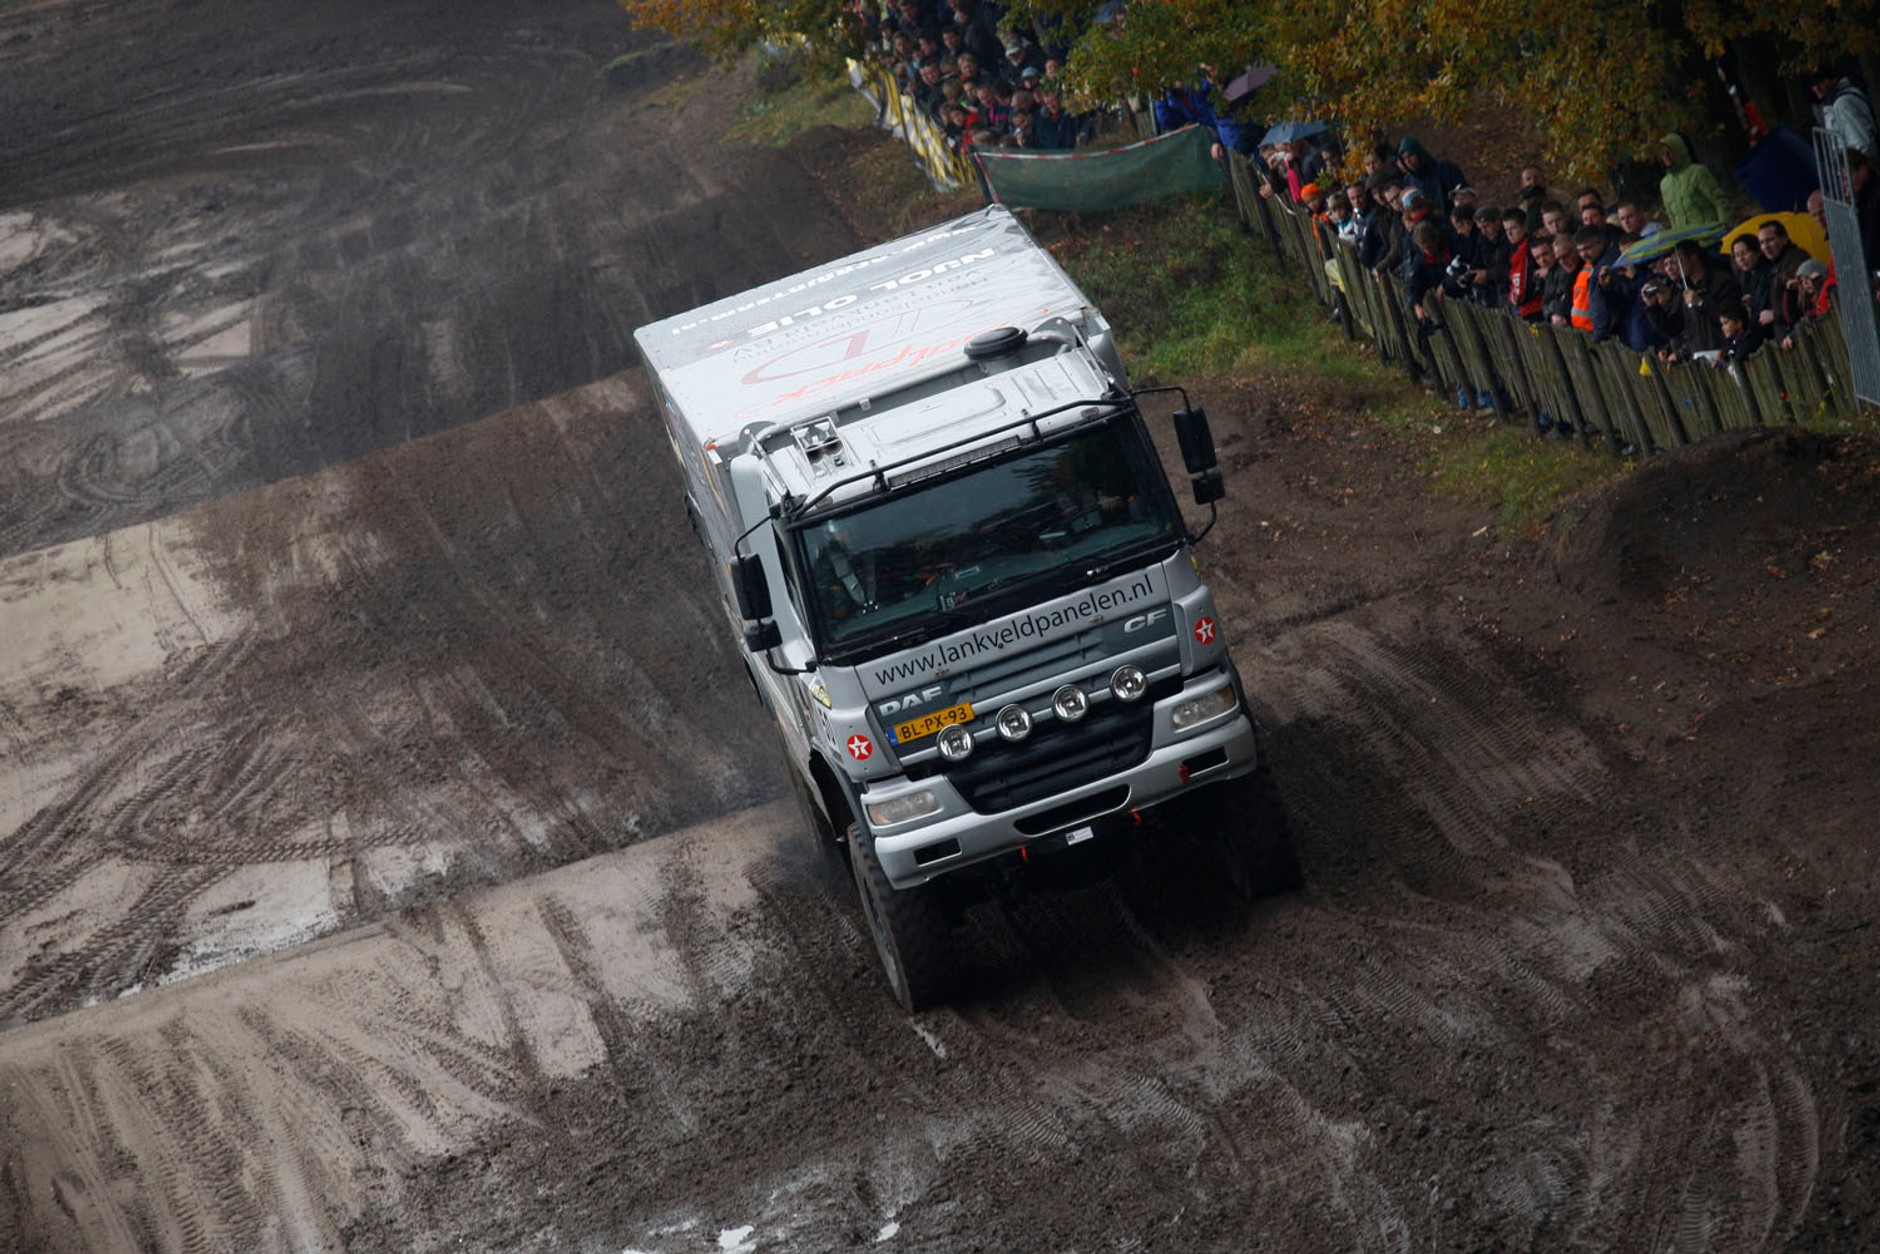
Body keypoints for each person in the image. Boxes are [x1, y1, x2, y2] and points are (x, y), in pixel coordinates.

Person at [1658, 133, 1732, 230]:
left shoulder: (1698, 172)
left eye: (1669, 152)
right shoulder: (1665, 184)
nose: (1666, 156)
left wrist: (1723, 227)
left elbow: (1719, 201)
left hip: (1711, 236)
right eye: (1662, 154)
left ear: (1678, 150)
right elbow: (1672, 217)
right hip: (1686, 241)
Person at [1809, 64, 1877, 160]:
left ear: (1832, 79)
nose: (1816, 88)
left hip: (1859, 168)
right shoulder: (1832, 105)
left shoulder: (1843, 104)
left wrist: (1856, 169)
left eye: (1821, 82)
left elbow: (1860, 142)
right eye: (1813, 84)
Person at [1396, 137, 1467, 214]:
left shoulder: (1443, 167)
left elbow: (1461, 189)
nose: (1408, 161)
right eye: (1404, 159)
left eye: (1410, 155)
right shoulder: (1409, 180)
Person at [1779, 259, 1835, 348]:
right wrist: (1790, 291)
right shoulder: (1809, 303)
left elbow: (1815, 317)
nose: (1805, 283)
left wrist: (1818, 282)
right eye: (1801, 281)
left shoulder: (1828, 292)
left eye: (1808, 278)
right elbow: (1793, 319)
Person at [1503, 208, 1544, 322]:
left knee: (1536, 337)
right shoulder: (1514, 249)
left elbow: (1521, 287)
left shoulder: (1525, 251)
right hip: (1526, 309)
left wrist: (1513, 300)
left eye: (1513, 228)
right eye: (1506, 230)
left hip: (1533, 310)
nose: (1510, 234)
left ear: (1524, 226)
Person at [1715, 298, 1767, 365]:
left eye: (1726, 323)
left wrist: (1724, 361)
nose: (1723, 328)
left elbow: (1738, 358)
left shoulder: (1749, 338)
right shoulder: (1735, 343)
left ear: (1738, 323)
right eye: (1722, 324)